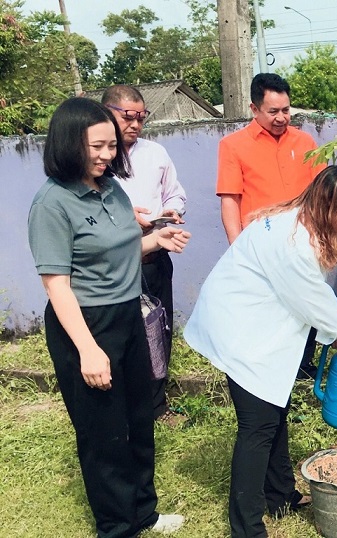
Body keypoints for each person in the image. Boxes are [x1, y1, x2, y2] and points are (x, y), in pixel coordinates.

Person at [27, 97, 191, 537]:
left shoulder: (112, 188)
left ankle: (144, 513)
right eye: (96, 146)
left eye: (111, 145)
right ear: (68, 143)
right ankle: (117, 526)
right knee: (103, 433)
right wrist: (88, 350)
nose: (106, 155)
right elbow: (57, 285)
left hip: (128, 315)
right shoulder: (53, 203)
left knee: (138, 420)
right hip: (86, 324)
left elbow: (119, 252)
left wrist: (156, 241)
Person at [184, 165, 337, 538]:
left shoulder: (297, 221)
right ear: (332, 210)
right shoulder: (293, 243)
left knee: (275, 411)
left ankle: (280, 495)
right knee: (257, 428)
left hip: (252, 325)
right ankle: (247, 528)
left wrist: (336, 327)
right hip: (241, 332)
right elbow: (310, 296)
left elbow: (309, 293)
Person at [217, 72, 327, 379]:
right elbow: (230, 200)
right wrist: (237, 247)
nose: (281, 118)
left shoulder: (305, 142)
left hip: (303, 240)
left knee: (307, 301)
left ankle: (303, 367)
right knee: (267, 307)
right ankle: (268, 367)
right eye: (273, 111)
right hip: (260, 246)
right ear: (254, 109)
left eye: (286, 110)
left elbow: (322, 191)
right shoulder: (233, 146)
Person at [102, 84, 187, 426]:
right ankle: (121, 406)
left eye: (141, 117)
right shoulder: (95, 159)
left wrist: (171, 209)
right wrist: (127, 218)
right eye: (128, 116)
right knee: (121, 335)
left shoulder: (155, 154)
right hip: (115, 265)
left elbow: (175, 193)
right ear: (107, 113)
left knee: (158, 330)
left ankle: (156, 405)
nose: (136, 124)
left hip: (155, 259)